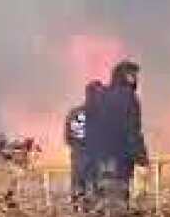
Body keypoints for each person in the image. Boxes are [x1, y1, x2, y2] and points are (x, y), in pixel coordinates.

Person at [87, 59, 149, 202]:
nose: (135, 79)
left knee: (100, 204)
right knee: (117, 204)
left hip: (96, 161)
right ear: (125, 76)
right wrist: (142, 160)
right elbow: (132, 131)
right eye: (132, 75)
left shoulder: (100, 96)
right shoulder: (128, 97)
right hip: (119, 160)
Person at [64, 81, 102, 200]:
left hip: (78, 158)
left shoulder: (74, 113)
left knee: (78, 191)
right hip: (96, 159)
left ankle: (78, 214)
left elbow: (68, 138)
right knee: (97, 193)